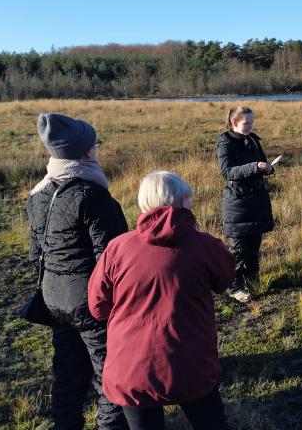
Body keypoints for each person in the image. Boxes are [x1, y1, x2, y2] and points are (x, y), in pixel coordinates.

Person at [88, 171, 235, 430]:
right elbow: (225, 279)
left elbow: (97, 307)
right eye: (189, 198)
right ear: (180, 202)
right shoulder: (205, 246)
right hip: (191, 364)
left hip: (131, 368)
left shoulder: (117, 248)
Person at [27, 112, 128, 430]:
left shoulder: (38, 194)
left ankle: (65, 425)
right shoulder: (92, 194)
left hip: (53, 299)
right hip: (90, 302)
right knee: (108, 371)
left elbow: (35, 254)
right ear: (86, 152)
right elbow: (110, 259)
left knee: (68, 372)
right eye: (93, 145)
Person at [217, 106, 275, 303]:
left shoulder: (253, 140)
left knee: (254, 246)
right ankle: (234, 287)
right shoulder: (225, 142)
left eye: (252, 122)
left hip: (256, 201)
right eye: (246, 123)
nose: (250, 126)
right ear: (234, 123)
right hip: (237, 202)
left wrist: (267, 169)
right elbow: (227, 172)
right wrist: (254, 167)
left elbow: (262, 163)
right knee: (239, 249)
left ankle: (252, 282)